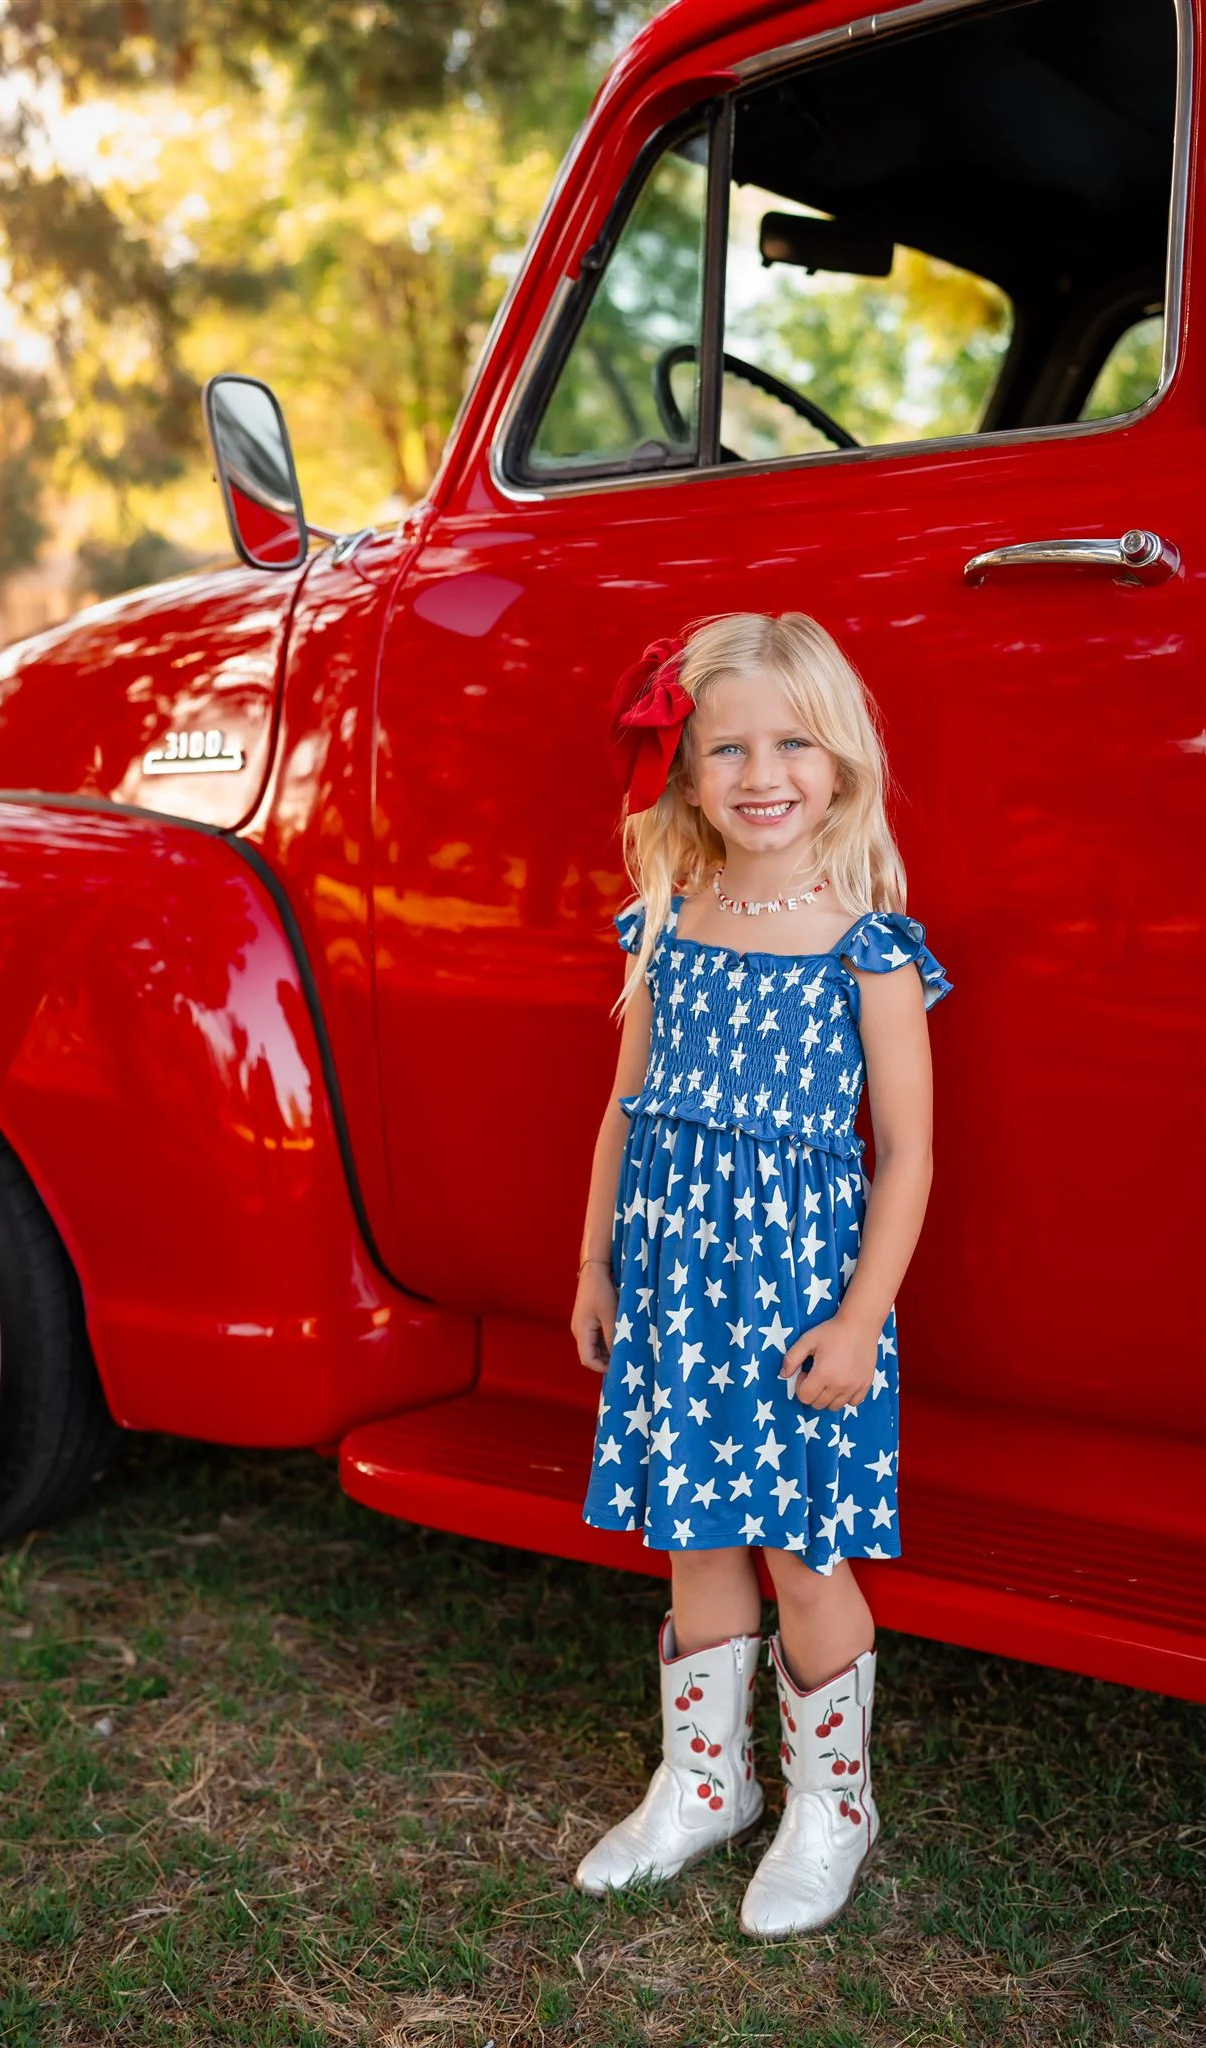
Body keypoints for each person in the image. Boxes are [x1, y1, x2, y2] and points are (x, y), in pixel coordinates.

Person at [570, 611, 953, 1940]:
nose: (759, 772)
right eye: (723, 746)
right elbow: (626, 1111)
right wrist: (592, 1261)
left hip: (800, 1303)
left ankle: (829, 1807)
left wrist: (860, 1320)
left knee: (800, 1550)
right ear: (680, 771)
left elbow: (902, 1154)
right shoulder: (664, 922)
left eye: (791, 742)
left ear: (839, 765)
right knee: (691, 1531)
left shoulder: (870, 949)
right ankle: (702, 1782)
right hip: (675, 1284)